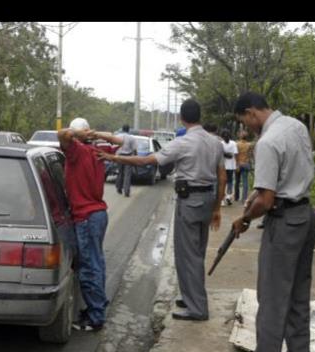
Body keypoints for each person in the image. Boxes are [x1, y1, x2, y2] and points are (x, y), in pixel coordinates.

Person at [96, 99, 225, 321]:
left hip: (190, 201)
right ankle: (191, 297)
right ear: (200, 116)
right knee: (198, 253)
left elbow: (146, 160)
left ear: (182, 118)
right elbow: (222, 177)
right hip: (207, 199)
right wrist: (217, 207)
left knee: (187, 255)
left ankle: (197, 308)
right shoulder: (215, 143)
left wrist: (114, 157)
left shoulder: (183, 142)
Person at [230, 92, 315, 352]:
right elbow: (281, 179)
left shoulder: (267, 142)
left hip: (284, 222)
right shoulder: (295, 126)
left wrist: (245, 217)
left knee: (271, 301)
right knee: (298, 297)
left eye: (244, 121)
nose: (246, 128)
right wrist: (256, 194)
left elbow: (266, 201)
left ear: (251, 112)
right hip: (304, 215)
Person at [56, 118, 123, 332]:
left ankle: (95, 317)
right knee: (97, 262)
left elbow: (62, 135)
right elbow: (120, 140)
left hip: (85, 217)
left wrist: (79, 135)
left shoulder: (76, 151)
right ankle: (98, 305)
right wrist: (98, 134)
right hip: (98, 214)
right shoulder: (98, 150)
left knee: (89, 267)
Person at [115, 124, 138, 197]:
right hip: (128, 157)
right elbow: (134, 149)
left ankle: (119, 188)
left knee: (120, 172)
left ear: (122, 129)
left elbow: (113, 147)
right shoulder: (131, 138)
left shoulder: (117, 136)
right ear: (128, 130)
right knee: (127, 174)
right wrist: (135, 157)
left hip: (119, 156)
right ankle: (126, 191)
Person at [235, 130, 253, 204]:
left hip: (238, 163)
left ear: (240, 136)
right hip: (246, 164)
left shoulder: (237, 144)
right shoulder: (249, 145)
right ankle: (244, 198)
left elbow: (235, 155)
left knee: (237, 181)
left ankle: (236, 197)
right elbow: (250, 155)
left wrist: (236, 164)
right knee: (245, 181)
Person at [221, 130, 238, 206]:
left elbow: (220, 154)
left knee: (223, 182)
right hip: (231, 165)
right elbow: (235, 154)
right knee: (230, 181)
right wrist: (237, 164)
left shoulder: (221, 143)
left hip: (223, 165)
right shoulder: (233, 143)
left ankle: (222, 199)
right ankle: (228, 196)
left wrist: (225, 154)